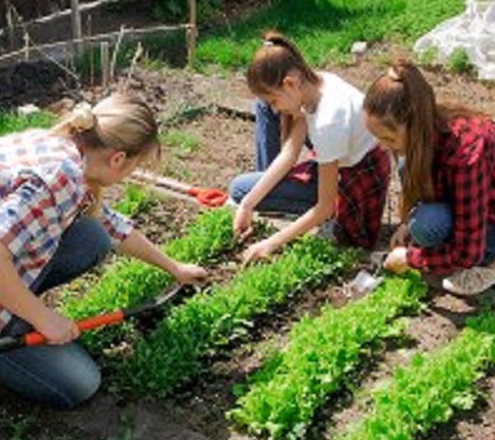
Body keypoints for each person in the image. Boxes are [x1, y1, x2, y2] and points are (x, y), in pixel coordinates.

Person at [0, 93, 208, 408]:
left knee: (92, 235)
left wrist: (174, 268)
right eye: (135, 166)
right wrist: (42, 318)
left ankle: (18, 302)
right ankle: (14, 324)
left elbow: (109, 224)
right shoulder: (59, 179)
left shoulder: (62, 146)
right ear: (117, 159)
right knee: (81, 383)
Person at [228, 31, 391, 263]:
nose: (275, 110)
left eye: (274, 101)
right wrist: (247, 206)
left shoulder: (328, 122)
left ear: (290, 83)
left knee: (239, 188)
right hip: (345, 165)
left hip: (357, 181)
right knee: (244, 193)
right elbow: (289, 153)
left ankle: (331, 220)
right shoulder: (315, 84)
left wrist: (270, 243)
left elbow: (324, 206)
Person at [363, 59, 495, 296]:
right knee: (420, 218)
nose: (383, 147)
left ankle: (489, 262)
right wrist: (405, 225)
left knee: (427, 226)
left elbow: (467, 251)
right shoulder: (425, 132)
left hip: (489, 215)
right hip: (472, 207)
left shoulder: (468, 152)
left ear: (416, 126)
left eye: (389, 139)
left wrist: (410, 258)